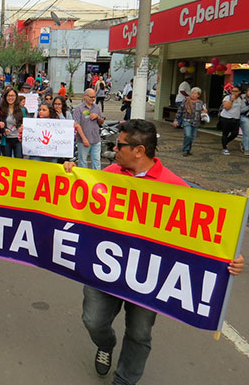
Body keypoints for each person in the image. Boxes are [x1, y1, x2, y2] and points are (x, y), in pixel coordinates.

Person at [63, 119, 244, 385]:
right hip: (104, 267)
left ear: (139, 151)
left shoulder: (175, 187)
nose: (114, 149)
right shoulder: (110, 174)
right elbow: (77, 198)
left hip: (148, 276)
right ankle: (106, 344)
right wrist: (69, 174)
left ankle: (125, 379)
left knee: (139, 333)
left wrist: (231, 258)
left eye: (120, 145)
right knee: (93, 320)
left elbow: (203, 233)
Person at [73, 88, 104, 170]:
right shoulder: (79, 108)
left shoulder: (96, 107)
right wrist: (84, 139)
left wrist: (98, 117)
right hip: (83, 140)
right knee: (83, 162)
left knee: (97, 161)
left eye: (94, 97)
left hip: (96, 139)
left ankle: (96, 177)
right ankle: (83, 177)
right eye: (91, 97)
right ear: (85, 96)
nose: (93, 99)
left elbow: (101, 122)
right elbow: (77, 125)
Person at [173, 87, 207, 156]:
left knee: (192, 137)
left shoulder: (200, 102)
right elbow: (180, 110)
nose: (193, 95)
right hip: (187, 120)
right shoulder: (186, 100)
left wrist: (204, 112)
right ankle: (185, 150)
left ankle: (188, 149)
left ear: (198, 95)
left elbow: (202, 112)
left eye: (195, 94)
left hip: (196, 122)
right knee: (188, 135)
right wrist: (176, 120)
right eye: (192, 93)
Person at [0, 88, 24, 158]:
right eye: (9, 95)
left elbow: (27, 122)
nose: (10, 98)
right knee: (7, 160)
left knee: (19, 159)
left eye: (12, 96)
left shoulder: (22, 110)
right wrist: (3, 129)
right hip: (6, 139)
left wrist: (22, 126)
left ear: (16, 97)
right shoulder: (1, 109)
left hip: (18, 139)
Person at [220, 85, 242, 155]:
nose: (234, 92)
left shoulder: (241, 99)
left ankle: (225, 142)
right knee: (225, 133)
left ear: (239, 92)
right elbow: (227, 107)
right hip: (226, 118)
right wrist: (232, 100)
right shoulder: (227, 97)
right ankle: (224, 148)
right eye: (232, 91)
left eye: (236, 91)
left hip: (236, 118)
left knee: (235, 134)